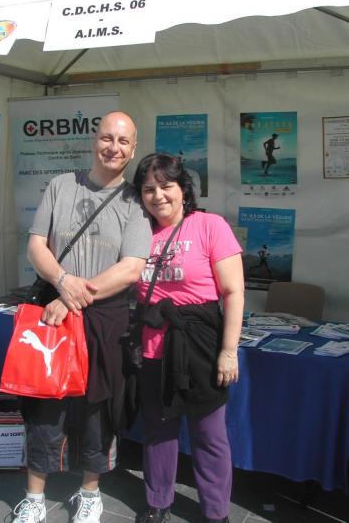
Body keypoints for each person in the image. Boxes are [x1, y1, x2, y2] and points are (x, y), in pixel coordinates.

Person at [12, 111, 152, 523]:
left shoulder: (135, 202)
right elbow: (37, 245)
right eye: (107, 137)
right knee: (44, 406)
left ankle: (90, 492)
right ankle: (34, 498)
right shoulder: (61, 185)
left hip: (103, 319)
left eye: (123, 141)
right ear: (94, 140)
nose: (114, 147)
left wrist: (74, 296)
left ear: (133, 148)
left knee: (97, 409)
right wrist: (62, 280)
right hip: (53, 314)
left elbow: (131, 267)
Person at [133, 153, 244, 523]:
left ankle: (216, 511)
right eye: (148, 188)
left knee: (209, 434)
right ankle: (158, 502)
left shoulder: (210, 226)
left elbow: (233, 292)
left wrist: (229, 351)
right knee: (158, 430)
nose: (158, 195)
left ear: (184, 190)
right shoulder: (137, 231)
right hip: (153, 347)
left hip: (199, 344)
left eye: (166, 186)